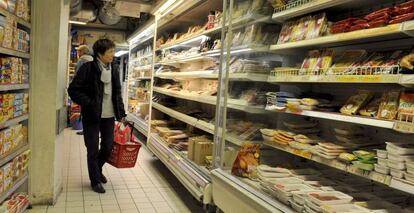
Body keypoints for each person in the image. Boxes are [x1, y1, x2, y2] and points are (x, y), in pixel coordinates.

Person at [68, 39, 127, 193]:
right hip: (92, 116)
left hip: (108, 116)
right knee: (92, 149)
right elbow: (73, 90)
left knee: (107, 146)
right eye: (110, 52)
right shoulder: (88, 68)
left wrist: (121, 113)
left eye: (113, 51)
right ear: (100, 54)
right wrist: (89, 103)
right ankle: (95, 180)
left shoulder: (114, 68)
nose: (113, 55)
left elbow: (117, 93)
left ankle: (97, 169)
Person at [74, 45, 93, 135]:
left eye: (79, 51)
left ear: (82, 52)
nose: (78, 53)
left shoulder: (82, 60)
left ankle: (85, 130)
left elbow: (77, 76)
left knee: (85, 111)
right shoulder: (92, 60)